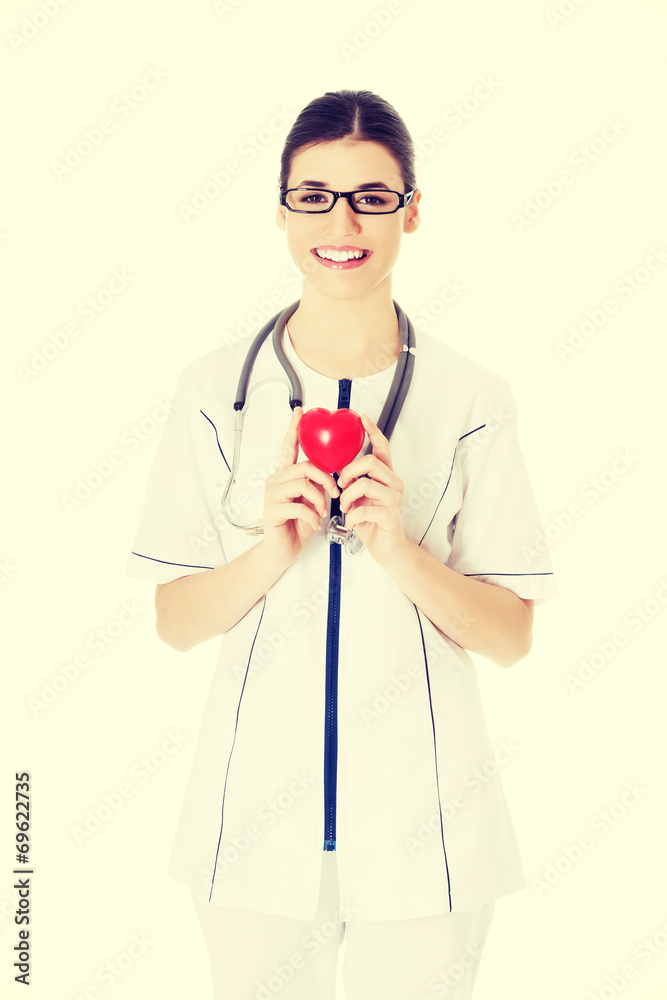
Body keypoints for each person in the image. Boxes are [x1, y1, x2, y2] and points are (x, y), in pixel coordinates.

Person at [126, 89, 557, 1000]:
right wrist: (272, 549)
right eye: (314, 194)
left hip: (428, 829)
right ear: (282, 209)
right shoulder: (215, 391)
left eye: (370, 195)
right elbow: (173, 622)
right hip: (250, 831)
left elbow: (511, 636)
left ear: (410, 209)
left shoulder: (473, 398)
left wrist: (399, 549)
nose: (342, 220)